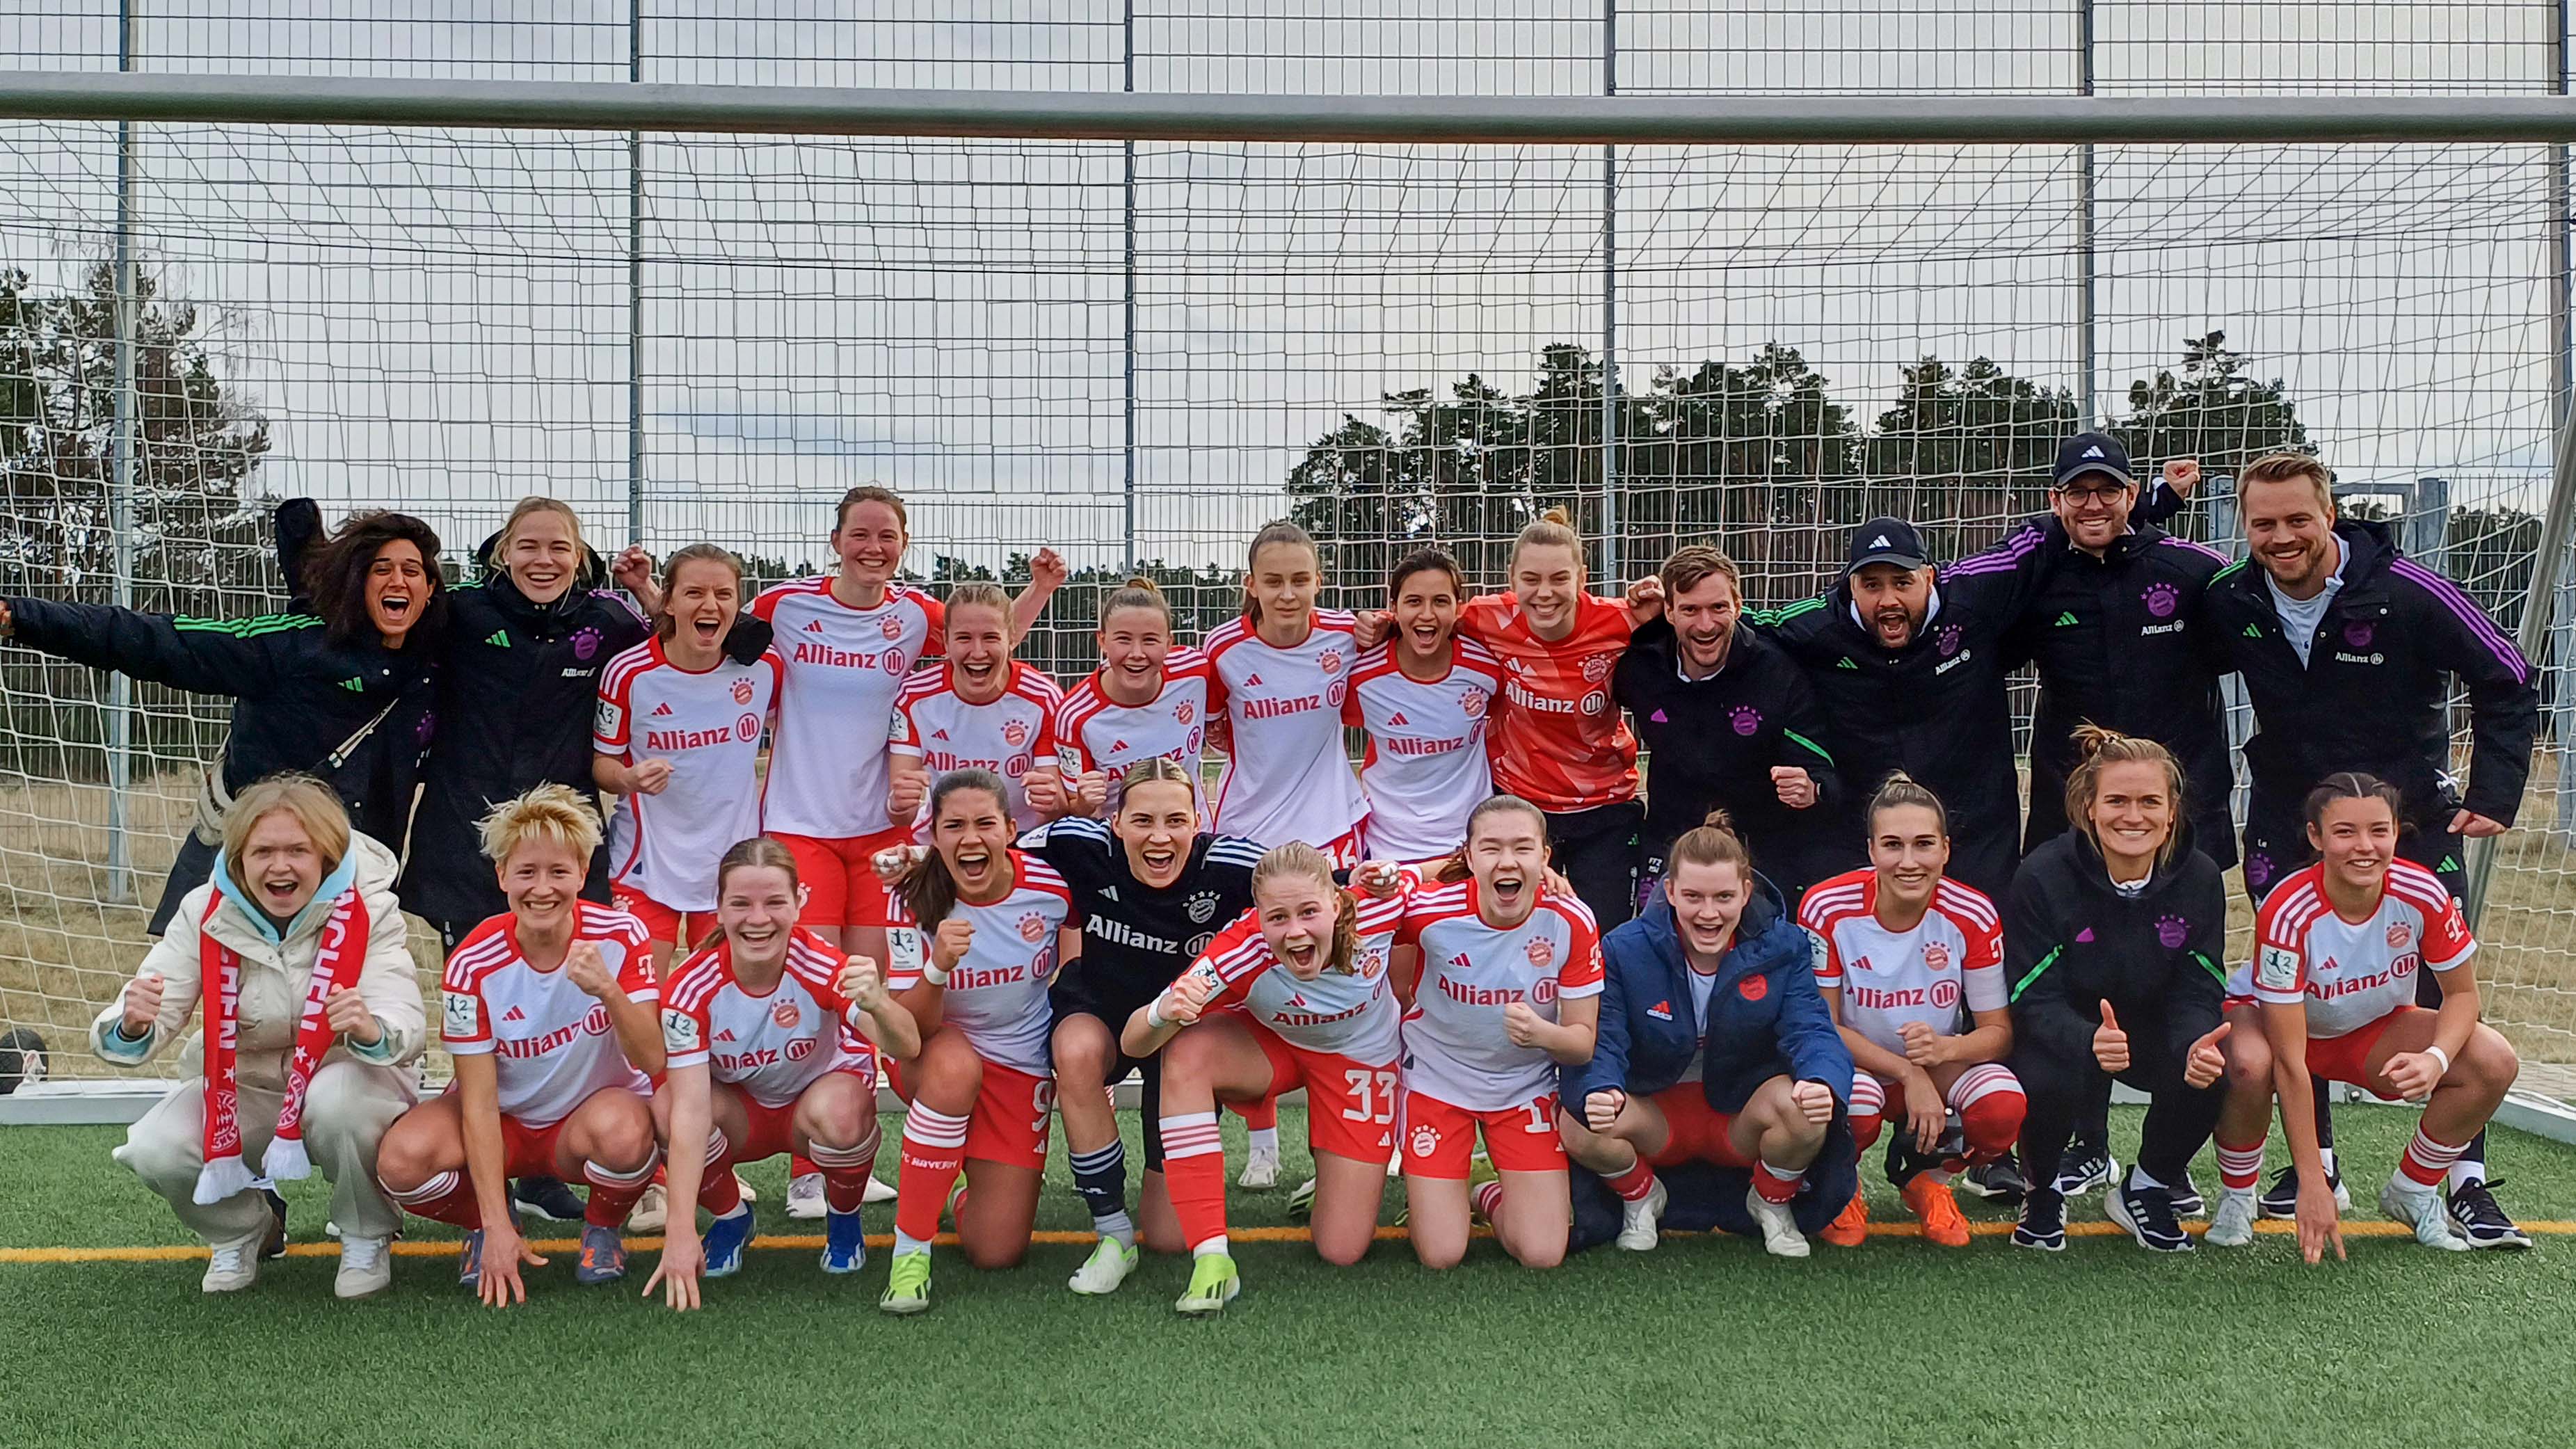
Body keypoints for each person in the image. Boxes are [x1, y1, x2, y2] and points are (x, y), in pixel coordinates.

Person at [2196, 452, 2539, 1242]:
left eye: (2296, 520)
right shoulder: (2229, 596)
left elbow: (2509, 675)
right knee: (2298, 995)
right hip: (2287, 822)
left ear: (2329, 515)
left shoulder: (2407, 590)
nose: (2281, 538)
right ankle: (2313, 1162)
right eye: (2263, 524)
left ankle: (2460, 1178)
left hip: (2406, 822)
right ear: (2245, 527)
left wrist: (2492, 793)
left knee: (2437, 988)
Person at [882, 759, 1265, 1296]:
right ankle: (1111, 1233)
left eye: (1175, 820)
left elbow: (1308, 880)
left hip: (1170, 1035)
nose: (1159, 836)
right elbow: (980, 856)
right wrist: (922, 876)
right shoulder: (1066, 848)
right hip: (1087, 1021)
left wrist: (1386, 879)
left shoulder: (1230, 863)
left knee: (1165, 1236)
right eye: (1142, 821)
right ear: (1116, 823)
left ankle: (965, 1189)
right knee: (1072, 1047)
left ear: (1197, 822)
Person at [399, 498, 660, 1233]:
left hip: (564, 851)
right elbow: (385, 632)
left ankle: (564, 1167)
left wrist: (647, 593)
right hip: (465, 844)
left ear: (581, 557)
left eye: (559, 548)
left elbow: (682, 644)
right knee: (486, 1016)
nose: (543, 560)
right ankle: (494, 1190)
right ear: (502, 552)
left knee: (574, 1000)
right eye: (528, 546)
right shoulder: (461, 614)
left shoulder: (606, 623)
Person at [1, 509, 446, 934]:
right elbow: (159, 640)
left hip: (350, 882)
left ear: (429, 590)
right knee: (207, 1003)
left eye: (412, 571)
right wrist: (22, 618)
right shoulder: (292, 647)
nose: (397, 580)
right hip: (248, 875)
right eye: (381, 568)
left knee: (348, 1008)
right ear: (357, 581)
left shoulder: (436, 669)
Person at [89, 773, 422, 1297]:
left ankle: (366, 1232)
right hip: (243, 1088)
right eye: (263, 850)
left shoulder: (371, 908)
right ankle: (243, 1227)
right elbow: (156, 999)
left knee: (341, 1104)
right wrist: (132, 1024)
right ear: (240, 857)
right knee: (155, 1148)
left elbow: (402, 1014)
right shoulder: (204, 907)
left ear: (327, 856)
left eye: (297, 850)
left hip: (344, 1078)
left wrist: (371, 1026)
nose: (280, 865)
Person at [747, 486, 1062, 970]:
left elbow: (988, 637)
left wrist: (1039, 590)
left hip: (883, 827)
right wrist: (649, 593)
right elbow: (707, 635)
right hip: (799, 822)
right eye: (859, 535)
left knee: (872, 981)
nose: (873, 548)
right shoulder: (785, 605)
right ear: (835, 541)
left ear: (903, 544)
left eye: (886, 536)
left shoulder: (913, 613)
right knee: (814, 974)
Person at [2209, 774, 2522, 1260]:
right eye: (2344, 832)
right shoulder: (2287, 910)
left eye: (2379, 830)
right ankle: (2236, 1193)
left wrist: (2436, 1060)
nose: (2364, 846)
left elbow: (2462, 995)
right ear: (2315, 837)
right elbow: (2292, 1062)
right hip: (2277, 1030)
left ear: (2397, 831)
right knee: (2249, 1063)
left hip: (2368, 1029)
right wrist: (2312, 1182)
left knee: (2492, 1059)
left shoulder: (2422, 891)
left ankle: (2413, 1190)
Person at [374, 784, 665, 1303]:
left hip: (586, 1122)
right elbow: (479, 1102)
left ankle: (602, 1227)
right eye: (526, 872)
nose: (542, 888)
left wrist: (608, 991)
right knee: (402, 1159)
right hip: (505, 1125)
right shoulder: (473, 960)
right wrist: (492, 1220)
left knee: (628, 1134)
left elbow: (653, 1058)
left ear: (582, 872)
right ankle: (489, 1224)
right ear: (502, 875)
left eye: (558, 872)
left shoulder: (622, 935)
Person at [1123, 841, 1408, 1312]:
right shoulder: (1241, 948)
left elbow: (1446, 879)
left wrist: (1548, 882)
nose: (1294, 931)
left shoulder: (1380, 905)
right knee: (1185, 1048)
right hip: (1273, 1046)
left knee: (1341, 1248)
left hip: (1359, 1058)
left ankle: (1334, 1172)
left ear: (1337, 904)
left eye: (1308, 912)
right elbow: (1134, 1043)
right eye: (1277, 918)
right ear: (1258, 917)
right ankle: (1212, 1258)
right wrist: (1162, 1011)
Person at [641, 837, 922, 1309]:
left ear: (799, 903)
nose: (757, 918)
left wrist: (879, 1002)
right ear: (719, 909)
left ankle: (844, 1216)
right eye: (741, 904)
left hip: (810, 1109)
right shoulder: (691, 987)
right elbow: (689, 1111)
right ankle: (732, 1217)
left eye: (774, 902)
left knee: (846, 1109)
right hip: (741, 1117)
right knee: (668, 1106)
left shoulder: (821, 964)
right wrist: (680, 1229)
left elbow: (906, 1044)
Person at [1558, 810, 1849, 1258]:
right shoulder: (1622, 948)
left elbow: (1811, 1027)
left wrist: (1821, 1080)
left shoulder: (1784, 945)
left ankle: (1770, 1202)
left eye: (1724, 897)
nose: (1708, 913)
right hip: (1657, 1113)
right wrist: (1600, 1089)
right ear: (1669, 892)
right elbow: (1605, 1036)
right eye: (1693, 896)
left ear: (1746, 892)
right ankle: (1641, 1196)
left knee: (1807, 1107)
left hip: (1741, 1115)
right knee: (1577, 1120)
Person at [2002, 728, 2232, 1252]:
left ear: (2172, 811)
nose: (2133, 816)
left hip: (2151, 1028)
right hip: (2069, 1026)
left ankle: (2147, 1185)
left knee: (2218, 1063)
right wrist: (2087, 1039)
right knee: (2042, 1072)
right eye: (2117, 801)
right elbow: (2031, 998)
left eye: (2150, 801)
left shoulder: (2199, 877)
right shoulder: (2041, 874)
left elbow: (2197, 990)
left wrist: (2195, 1042)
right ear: (2088, 807)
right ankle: (2041, 1187)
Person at [877, 769, 1078, 1315]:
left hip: (1019, 1066)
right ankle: (909, 1256)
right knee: (953, 1066)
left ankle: (955, 1184)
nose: (971, 838)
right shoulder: (910, 898)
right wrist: (938, 966)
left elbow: (1079, 959)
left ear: (1011, 829)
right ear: (934, 836)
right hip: (933, 1053)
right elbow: (908, 1028)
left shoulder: (1051, 886)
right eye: (955, 826)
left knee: (997, 1251)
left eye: (985, 823)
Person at [1754, 515, 2038, 901]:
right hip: (1865, 837)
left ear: (1929, 577)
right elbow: (1735, 625)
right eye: (1871, 585)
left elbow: (2038, 543)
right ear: (1849, 586)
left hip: (1977, 835)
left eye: (1902, 583)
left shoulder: (1973, 604)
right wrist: (1651, 617)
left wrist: (2142, 507)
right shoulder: (1818, 627)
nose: (1888, 600)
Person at [1800, 776, 2025, 1250]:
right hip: (1857, 1065)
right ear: (1870, 849)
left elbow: (1997, 1033)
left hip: (1939, 1067)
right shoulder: (1826, 906)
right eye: (1892, 845)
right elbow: (1822, 1026)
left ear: (1945, 849)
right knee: (1851, 1105)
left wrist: (1946, 1048)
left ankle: (1929, 1180)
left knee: (2002, 1104)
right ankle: (1843, 1187)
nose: (1908, 861)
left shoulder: (1974, 913)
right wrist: (1906, 1071)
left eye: (1923, 844)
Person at [1389, 794, 1603, 1271]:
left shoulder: (1571, 918)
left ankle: (1484, 1189)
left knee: (1543, 1254)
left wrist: (1541, 1033)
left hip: (1524, 1086)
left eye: (1523, 848)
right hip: (1436, 1081)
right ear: (1467, 857)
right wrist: (1416, 872)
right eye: (1490, 848)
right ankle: (1448, 1182)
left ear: (1544, 857)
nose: (1507, 861)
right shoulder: (1428, 909)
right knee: (1441, 1254)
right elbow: (1363, 899)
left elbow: (1581, 1042)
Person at [1448, 509, 1663, 927]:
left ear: (1582, 578)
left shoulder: (1622, 621)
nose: (1544, 593)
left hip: (1604, 806)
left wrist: (1661, 597)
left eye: (1559, 579)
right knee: (1517, 930)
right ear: (1512, 580)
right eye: (1531, 579)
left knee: (1605, 935)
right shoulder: (1485, 617)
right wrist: (1373, 625)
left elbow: (1691, 618)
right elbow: (1424, 617)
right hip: (1520, 805)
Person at [592, 544, 784, 971]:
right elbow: (603, 766)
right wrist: (630, 778)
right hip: (645, 864)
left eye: (724, 594)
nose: (710, 604)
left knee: (723, 1001)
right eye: (694, 593)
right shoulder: (630, 673)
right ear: (670, 601)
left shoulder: (764, 667)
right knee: (636, 1000)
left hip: (732, 867)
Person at [1614, 545, 1842, 903]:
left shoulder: (1776, 673)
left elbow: (1823, 772)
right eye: (1690, 610)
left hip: (1757, 845)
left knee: (1762, 947)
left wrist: (1813, 788)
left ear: (1738, 605)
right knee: (1653, 942)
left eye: (1718, 607)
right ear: (1669, 612)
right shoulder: (1640, 668)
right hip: (1670, 839)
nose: (1706, 625)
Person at [1201, 520, 1372, 862]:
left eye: (1300, 580)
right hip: (1249, 825)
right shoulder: (1222, 649)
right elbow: (1211, 729)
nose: (1288, 595)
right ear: (1251, 585)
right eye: (1274, 582)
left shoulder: (1347, 635)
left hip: (1332, 824)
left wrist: (1382, 624)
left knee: (1339, 914)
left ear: (1318, 582)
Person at [1343, 546, 1504, 865]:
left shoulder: (1486, 669)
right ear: (1394, 607)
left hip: (1469, 846)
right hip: (1386, 846)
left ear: (1458, 608)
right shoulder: (1362, 677)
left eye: (1440, 602)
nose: (1427, 615)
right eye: (1414, 601)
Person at [888, 581, 1067, 834]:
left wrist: (1051, 803)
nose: (978, 652)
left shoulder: (1042, 697)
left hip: (1018, 840)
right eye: (964, 638)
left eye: (991, 637)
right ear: (945, 642)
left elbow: (1056, 807)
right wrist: (898, 804)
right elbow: (902, 814)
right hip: (942, 843)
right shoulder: (914, 696)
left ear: (1011, 639)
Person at [1053, 577, 1215, 825]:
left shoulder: (1196, 671)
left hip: (1191, 833)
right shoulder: (1074, 715)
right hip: (1123, 846)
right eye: (1123, 640)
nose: (1137, 654)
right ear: (1102, 641)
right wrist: (1085, 802)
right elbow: (1077, 808)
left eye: (1150, 640)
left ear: (1169, 643)